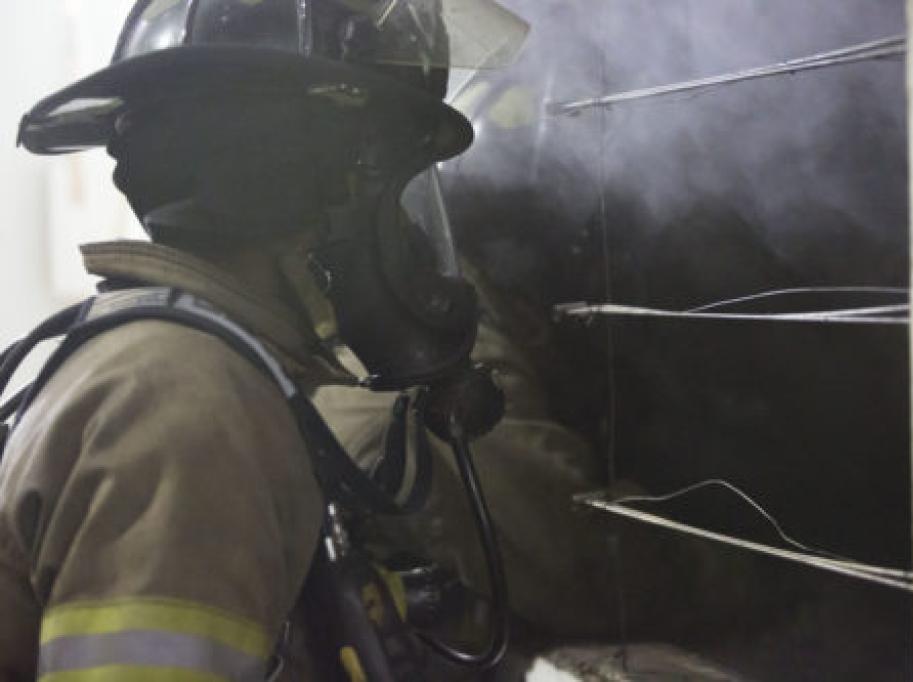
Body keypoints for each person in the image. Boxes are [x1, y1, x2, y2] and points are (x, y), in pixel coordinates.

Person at [0, 1, 538, 679]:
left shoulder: (159, 358)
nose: (408, 236)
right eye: (386, 192)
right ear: (309, 193)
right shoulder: (187, 407)